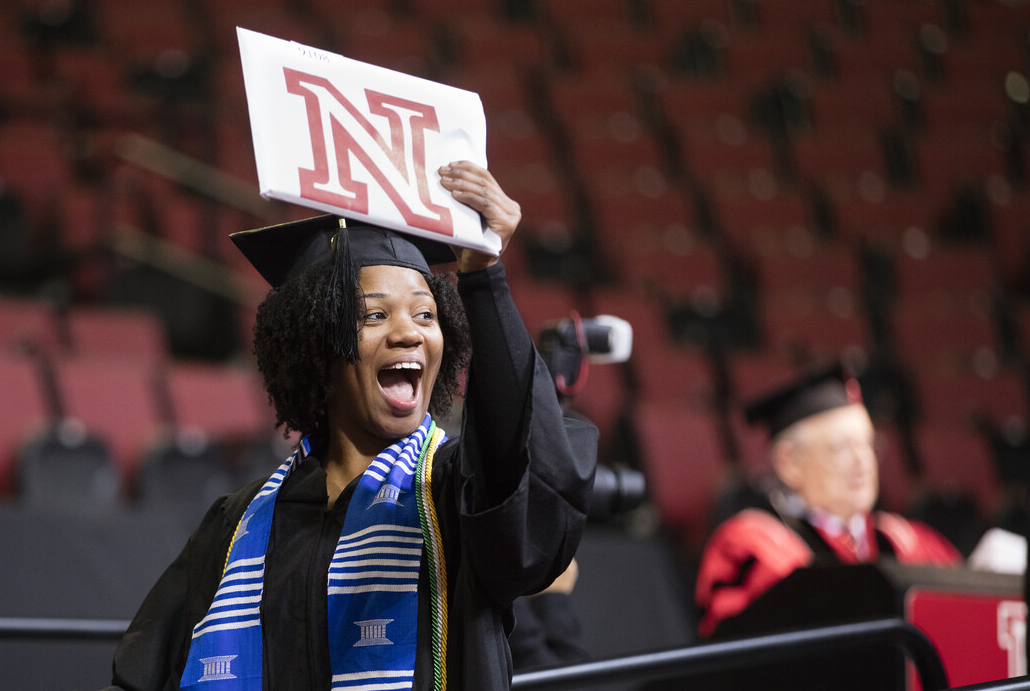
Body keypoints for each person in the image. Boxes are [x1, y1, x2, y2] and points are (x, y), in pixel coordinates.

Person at [105, 161, 598, 691]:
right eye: (374, 315)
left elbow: (523, 462)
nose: (410, 333)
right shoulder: (237, 527)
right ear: (317, 350)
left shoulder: (454, 496)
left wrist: (483, 276)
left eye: (426, 315)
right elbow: (141, 674)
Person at [694, 362, 960, 637]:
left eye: (868, 445)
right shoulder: (750, 546)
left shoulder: (905, 540)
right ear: (789, 463)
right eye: (842, 448)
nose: (863, 462)